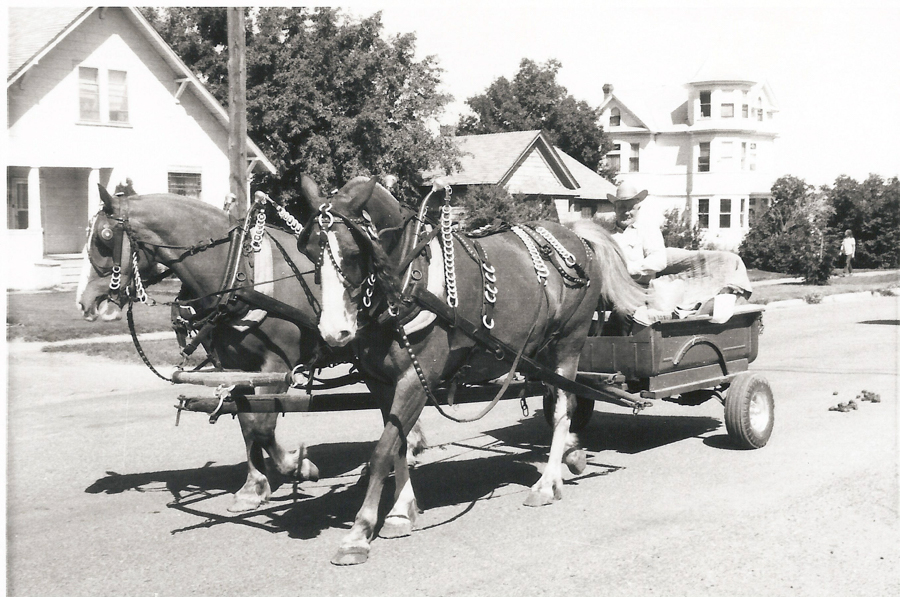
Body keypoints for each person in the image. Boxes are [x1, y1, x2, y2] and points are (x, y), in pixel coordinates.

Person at [606, 182, 667, 286]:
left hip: (640, 289)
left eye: (630, 208)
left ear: (638, 209)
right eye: (621, 207)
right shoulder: (606, 233)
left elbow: (659, 260)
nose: (626, 212)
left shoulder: (648, 230)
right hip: (611, 289)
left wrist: (628, 269)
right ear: (614, 209)